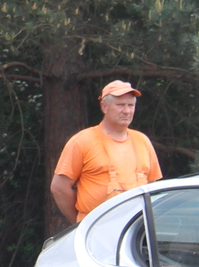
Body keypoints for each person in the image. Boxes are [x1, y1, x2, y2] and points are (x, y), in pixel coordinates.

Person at [51, 80, 162, 224]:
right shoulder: (83, 140)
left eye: (131, 105)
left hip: (136, 231)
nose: (127, 111)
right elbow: (59, 188)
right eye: (120, 105)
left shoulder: (143, 141)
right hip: (97, 232)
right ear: (104, 107)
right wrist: (82, 226)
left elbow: (153, 188)